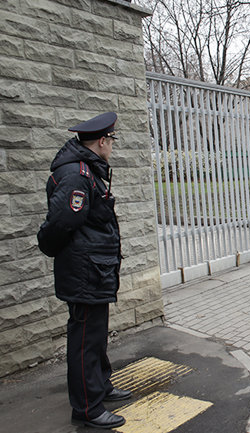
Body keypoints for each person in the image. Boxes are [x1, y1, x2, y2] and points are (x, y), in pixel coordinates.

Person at [37, 112, 131, 429]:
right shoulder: (78, 176)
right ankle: (87, 408)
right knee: (84, 342)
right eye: (112, 141)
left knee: (95, 337)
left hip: (94, 270)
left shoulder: (88, 171)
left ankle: (101, 387)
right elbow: (62, 223)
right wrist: (51, 249)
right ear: (102, 141)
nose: (112, 147)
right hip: (84, 272)